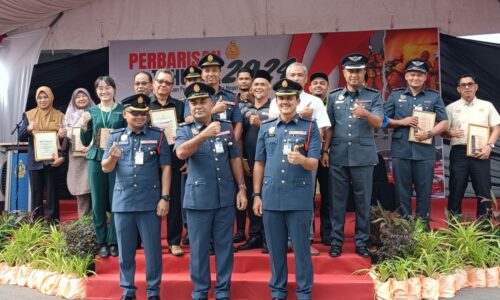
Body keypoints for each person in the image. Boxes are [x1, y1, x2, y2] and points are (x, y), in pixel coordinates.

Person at [174, 82, 247, 300]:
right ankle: (200, 292)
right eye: (193, 102)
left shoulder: (225, 127)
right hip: (198, 200)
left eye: (202, 101)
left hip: (224, 197)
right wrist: (204, 134)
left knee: (225, 248)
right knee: (198, 249)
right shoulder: (184, 129)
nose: (198, 105)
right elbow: (180, 153)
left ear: (212, 103)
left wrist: (242, 188)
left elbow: (234, 157)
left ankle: (223, 291)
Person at [253, 78, 320, 300]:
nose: (285, 102)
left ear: (297, 100)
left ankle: (303, 292)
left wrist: (301, 159)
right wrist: (256, 195)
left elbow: (313, 163)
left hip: (298, 197)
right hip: (271, 197)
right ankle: (278, 291)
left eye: (289, 98)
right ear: (277, 100)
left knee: (301, 250)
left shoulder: (309, 127)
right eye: (281, 98)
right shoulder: (266, 127)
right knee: (275, 250)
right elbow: (259, 163)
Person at [102, 94, 171, 300]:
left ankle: (153, 291)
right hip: (123, 202)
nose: (140, 117)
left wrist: (165, 197)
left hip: (150, 202)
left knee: (153, 251)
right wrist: (112, 158)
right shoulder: (114, 137)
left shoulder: (158, 136)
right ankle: (128, 290)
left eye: (143, 113)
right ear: (125, 114)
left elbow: (166, 167)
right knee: (125, 251)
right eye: (135, 113)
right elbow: (105, 168)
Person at [322, 54, 383, 258]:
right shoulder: (333, 96)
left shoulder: (373, 96)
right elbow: (329, 127)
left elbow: (379, 123)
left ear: (364, 72)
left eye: (358, 70)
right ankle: (336, 241)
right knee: (337, 201)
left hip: (363, 156)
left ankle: (362, 241)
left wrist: (365, 113)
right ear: (344, 73)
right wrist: (324, 151)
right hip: (338, 155)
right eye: (350, 70)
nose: (354, 74)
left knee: (363, 201)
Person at [269, 62, 331, 255]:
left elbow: (321, 130)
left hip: (306, 159)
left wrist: (310, 152)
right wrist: (300, 115)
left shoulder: (315, 101)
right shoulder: (276, 100)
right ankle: (284, 240)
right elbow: (272, 126)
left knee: (305, 199)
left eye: (299, 75)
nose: (296, 78)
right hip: (280, 158)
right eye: (292, 75)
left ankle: (305, 240)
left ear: (306, 79)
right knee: (282, 198)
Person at [384, 59, 448, 225]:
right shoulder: (396, 95)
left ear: (425, 77)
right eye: (412, 74)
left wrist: (429, 132)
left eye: (419, 75)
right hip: (401, 150)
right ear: (406, 76)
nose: (415, 78)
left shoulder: (433, 97)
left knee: (424, 190)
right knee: (402, 191)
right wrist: (401, 122)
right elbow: (382, 120)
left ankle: (423, 227)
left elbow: (444, 122)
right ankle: (405, 228)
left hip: (424, 152)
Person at [81, 76, 127, 258]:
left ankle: (114, 240)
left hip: (116, 159)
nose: (104, 91)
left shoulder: (123, 110)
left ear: (114, 89)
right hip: (96, 158)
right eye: (100, 88)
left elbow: (128, 136)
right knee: (98, 201)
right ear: (96, 91)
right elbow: (85, 141)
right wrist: (84, 126)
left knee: (116, 199)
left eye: (107, 87)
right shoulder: (91, 112)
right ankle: (101, 241)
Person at [443, 74, 500, 217]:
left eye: (470, 84)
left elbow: (497, 127)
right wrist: (450, 133)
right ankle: (454, 226)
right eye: (463, 85)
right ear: (458, 89)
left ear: (476, 87)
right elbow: (442, 132)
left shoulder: (487, 106)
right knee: (456, 189)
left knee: (483, 189)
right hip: (459, 152)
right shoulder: (450, 108)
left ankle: (485, 227)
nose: (467, 87)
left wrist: (490, 146)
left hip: (481, 151)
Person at [149, 69, 186, 257]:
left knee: (173, 200)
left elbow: (187, 134)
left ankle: (174, 241)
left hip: (174, 158)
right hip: (150, 160)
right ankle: (152, 242)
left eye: (168, 83)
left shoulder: (180, 106)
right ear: (153, 83)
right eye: (160, 81)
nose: (163, 85)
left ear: (172, 86)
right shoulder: (145, 106)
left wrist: (186, 158)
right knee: (150, 202)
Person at [237, 70, 272, 252]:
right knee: (252, 197)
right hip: (249, 162)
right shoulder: (243, 109)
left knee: (268, 200)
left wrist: (262, 123)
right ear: (251, 88)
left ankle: (269, 237)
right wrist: (242, 158)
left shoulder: (275, 107)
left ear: (269, 88)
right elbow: (240, 136)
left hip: (270, 162)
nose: (258, 87)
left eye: (262, 84)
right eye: (256, 84)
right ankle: (254, 236)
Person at [19, 86, 66, 221]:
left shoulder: (59, 115)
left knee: (52, 195)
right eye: (40, 97)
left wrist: (62, 135)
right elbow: (20, 137)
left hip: (52, 161)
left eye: (45, 97)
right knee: (36, 195)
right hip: (35, 162)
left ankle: (52, 226)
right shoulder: (29, 115)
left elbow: (65, 142)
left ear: (51, 98)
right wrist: (28, 128)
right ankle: (37, 227)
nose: (42, 100)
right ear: (36, 99)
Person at [62, 88, 96, 218]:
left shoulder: (96, 112)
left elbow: (100, 132)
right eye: (78, 97)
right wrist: (66, 133)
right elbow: (66, 136)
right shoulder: (68, 115)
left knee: (96, 190)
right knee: (81, 191)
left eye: (84, 96)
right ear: (73, 100)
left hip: (93, 155)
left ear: (89, 97)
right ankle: (84, 225)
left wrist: (91, 145)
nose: (81, 99)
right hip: (77, 158)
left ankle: (98, 225)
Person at [308, 72, 333, 245]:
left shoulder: (335, 104)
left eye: (322, 83)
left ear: (328, 87)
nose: (318, 85)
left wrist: (325, 151)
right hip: (308, 155)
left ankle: (327, 233)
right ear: (309, 87)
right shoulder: (305, 103)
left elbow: (331, 129)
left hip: (328, 156)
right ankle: (307, 234)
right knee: (307, 196)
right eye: (315, 83)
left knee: (328, 195)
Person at [180, 65, 203, 246]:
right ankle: (188, 230)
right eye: (190, 80)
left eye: (197, 80)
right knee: (185, 196)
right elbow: (182, 129)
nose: (193, 83)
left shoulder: (204, 99)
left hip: (204, 156)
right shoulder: (181, 103)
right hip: (182, 155)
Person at [234, 67, 254, 244]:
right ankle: (240, 230)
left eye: (247, 78)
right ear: (237, 82)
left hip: (255, 153)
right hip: (237, 153)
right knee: (239, 190)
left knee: (253, 191)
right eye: (241, 79)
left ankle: (257, 231)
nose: (244, 82)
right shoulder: (232, 102)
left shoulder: (264, 102)